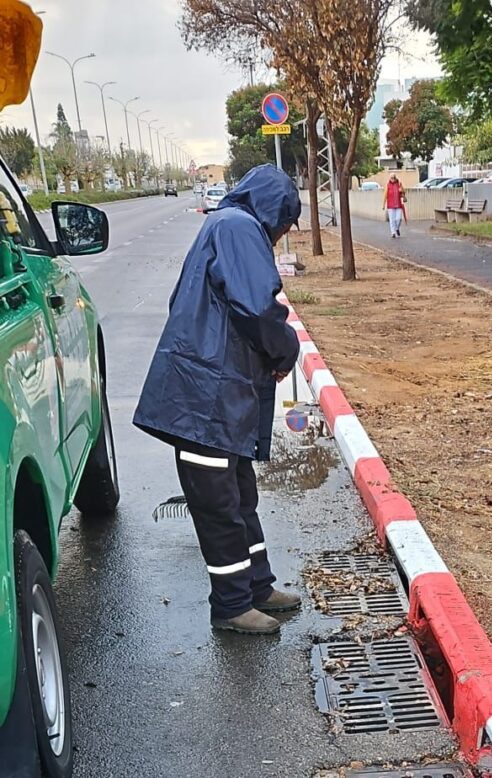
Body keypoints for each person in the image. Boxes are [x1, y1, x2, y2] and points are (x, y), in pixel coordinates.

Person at [134, 164, 302, 635]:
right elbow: (256, 306)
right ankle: (231, 606)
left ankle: (257, 586)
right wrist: (285, 346)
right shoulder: (238, 228)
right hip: (201, 403)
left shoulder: (225, 224)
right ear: (274, 210)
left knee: (241, 496)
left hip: (218, 398)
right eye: (286, 223)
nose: (283, 233)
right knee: (220, 507)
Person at [383, 172, 405, 238]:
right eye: (391, 177)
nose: (393, 179)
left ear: (396, 177)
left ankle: (397, 228)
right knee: (392, 220)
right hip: (390, 205)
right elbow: (385, 195)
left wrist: (401, 190)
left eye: (394, 177)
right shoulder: (388, 185)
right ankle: (393, 233)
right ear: (389, 178)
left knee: (398, 219)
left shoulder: (399, 183)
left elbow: (404, 192)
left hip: (398, 204)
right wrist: (383, 205)